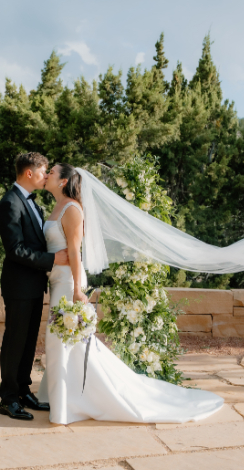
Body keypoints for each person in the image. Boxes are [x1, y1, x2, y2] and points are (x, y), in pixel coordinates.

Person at [35, 163, 224, 425]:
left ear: (64, 181)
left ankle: (70, 403)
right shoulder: (56, 207)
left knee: (61, 338)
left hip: (68, 282)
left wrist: (78, 290)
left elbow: (76, 253)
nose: (47, 175)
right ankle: (63, 396)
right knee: (65, 341)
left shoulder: (72, 209)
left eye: (52, 172)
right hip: (57, 280)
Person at [0, 152, 70, 421]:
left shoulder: (32, 204)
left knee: (28, 342)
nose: (46, 175)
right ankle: (8, 399)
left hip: (34, 284)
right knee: (15, 341)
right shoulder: (9, 203)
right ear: (30, 173)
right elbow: (15, 250)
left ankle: (24, 391)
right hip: (18, 285)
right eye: (43, 171)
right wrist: (53, 260)